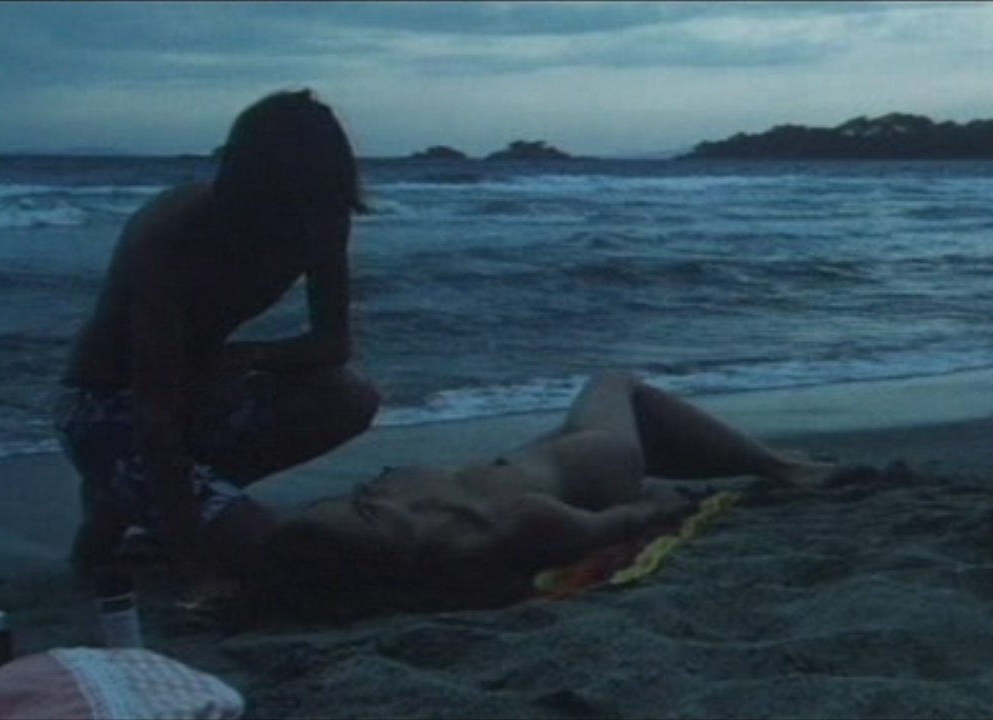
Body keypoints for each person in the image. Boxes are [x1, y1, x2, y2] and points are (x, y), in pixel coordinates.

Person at [188, 371, 837, 623]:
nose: (372, 498)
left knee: (635, 426)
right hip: (593, 464)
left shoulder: (389, 527)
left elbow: (286, 549)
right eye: (366, 512)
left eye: (361, 500)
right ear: (384, 555)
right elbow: (627, 519)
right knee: (618, 386)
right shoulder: (501, 528)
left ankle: (770, 462)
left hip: (530, 459)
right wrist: (668, 504)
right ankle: (781, 467)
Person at [54, 89, 381, 581]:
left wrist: (245, 357)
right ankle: (129, 503)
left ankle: (147, 500)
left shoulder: (321, 217)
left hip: (200, 387)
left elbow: (333, 344)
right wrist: (196, 566)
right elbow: (154, 414)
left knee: (347, 398)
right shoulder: (174, 234)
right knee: (262, 548)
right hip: (106, 403)